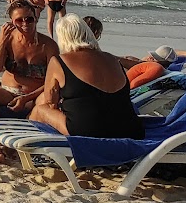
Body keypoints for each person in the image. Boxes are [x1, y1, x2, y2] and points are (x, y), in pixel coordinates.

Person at [23, 15, 144, 143]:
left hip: (88, 131)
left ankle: (20, 150)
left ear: (63, 38)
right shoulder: (112, 59)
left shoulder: (59, 61)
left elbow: (51, 103)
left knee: (40, 110)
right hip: (131, 129)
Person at [0, 0, 58, 162]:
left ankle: (14, 145)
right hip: (9, 91)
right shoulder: (7, 40)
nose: (25, 23)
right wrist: (1, 40)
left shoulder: (48, 45)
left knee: (48, 98)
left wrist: (26, 98)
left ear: (36, 18)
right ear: (12, 22)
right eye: (19, 20)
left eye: (29, 19)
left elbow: (53, 81)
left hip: (35, 95)